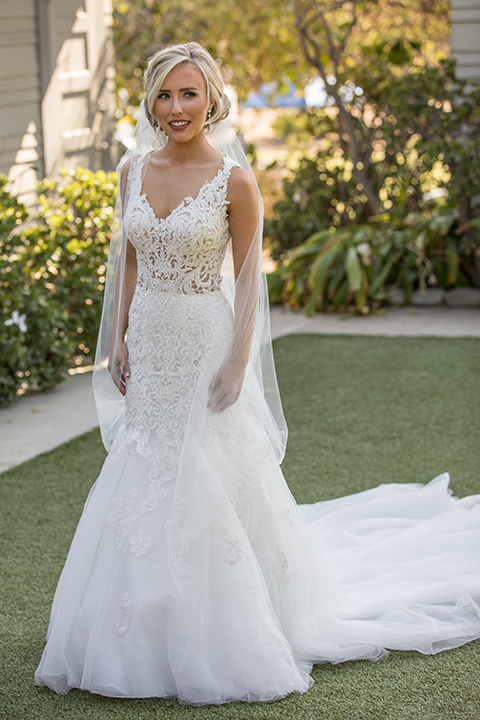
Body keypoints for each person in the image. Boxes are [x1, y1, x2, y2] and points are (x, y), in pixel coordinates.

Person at [35, 42, 480, 705]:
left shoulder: (234, 180)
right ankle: (136, 621)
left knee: (207, 470)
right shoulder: (132, 169)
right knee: (147, 461)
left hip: (205, 340)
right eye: (164, 94)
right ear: (149, 102)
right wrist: (118, 337)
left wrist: (239, 361)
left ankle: (226, 623)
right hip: (151, 342)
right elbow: (128, 258)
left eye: (189, 93)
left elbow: (248, 281)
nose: (176, 107)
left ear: (211, 97)